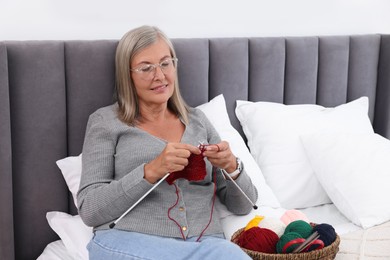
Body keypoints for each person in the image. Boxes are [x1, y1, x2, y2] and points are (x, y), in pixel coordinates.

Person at [77, 25, 258, 260]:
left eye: (165, 63)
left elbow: (244, 206)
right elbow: (90, 209)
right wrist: (152, 170)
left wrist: (232, 167)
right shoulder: (106, 122)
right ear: (126, 75)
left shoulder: (198, 121)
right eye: (145, 68)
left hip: (205, 246)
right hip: (127, 241)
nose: (160, 76)